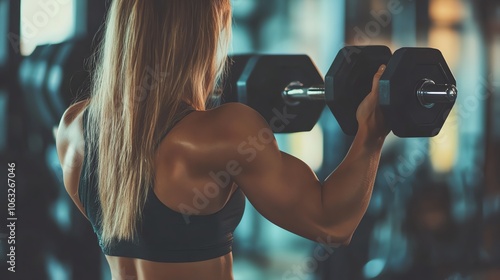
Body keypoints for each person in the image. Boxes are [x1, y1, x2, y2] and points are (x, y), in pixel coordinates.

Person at [55, 0, 388, 279]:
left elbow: (136, 229)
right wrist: (371, 131)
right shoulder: (227, 131)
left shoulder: (73, 127)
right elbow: (332, 223)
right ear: (200, 32)